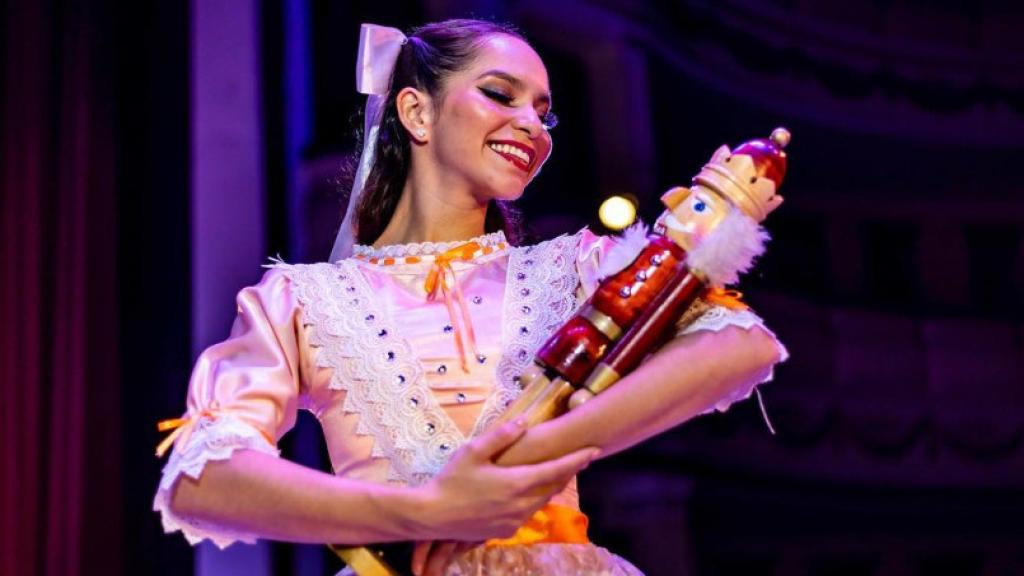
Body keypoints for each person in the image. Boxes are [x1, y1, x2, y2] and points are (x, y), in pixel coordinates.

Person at [154, 19, 786, 576]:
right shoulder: (301, 299)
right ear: (417, 111)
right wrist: (426, 509)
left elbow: (742, 342)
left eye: (545, 111)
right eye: (499, 95)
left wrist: (540, 448)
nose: (532, 125)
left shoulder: (575, 267)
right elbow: (201, 475)